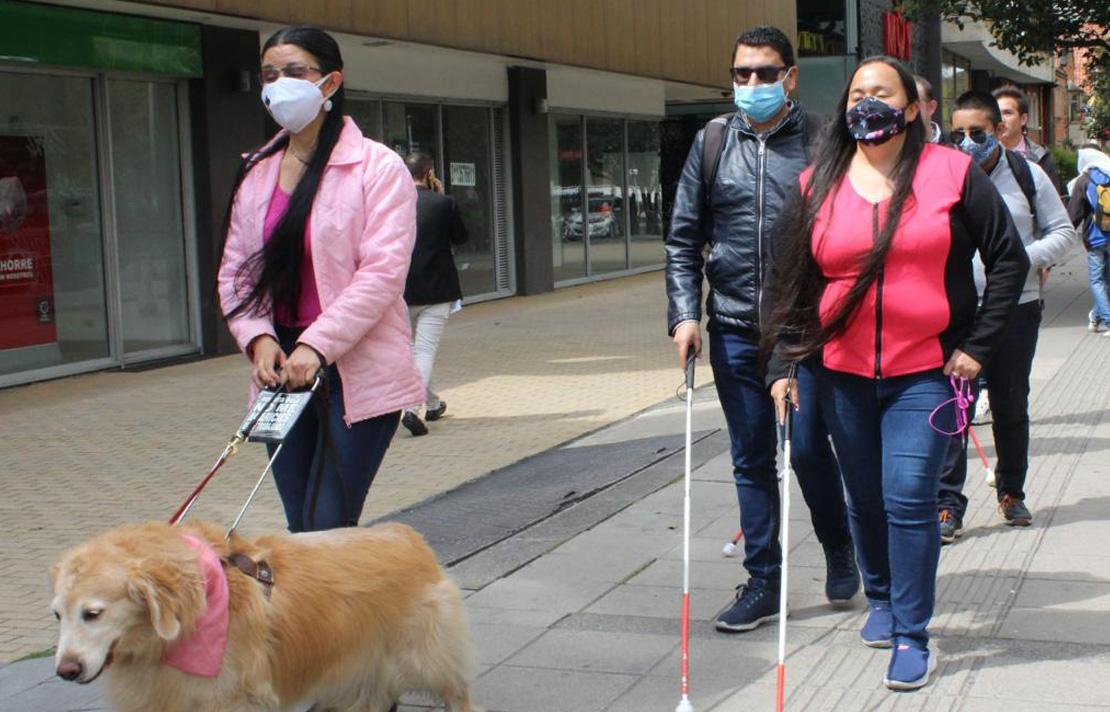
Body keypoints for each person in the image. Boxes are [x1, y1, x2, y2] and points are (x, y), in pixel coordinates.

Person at [764, 56, 1028, 690]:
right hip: (840, 372)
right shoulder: (816, 182)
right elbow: (792, 282)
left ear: (913, 107)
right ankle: (880, 596)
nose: (866, 104)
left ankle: (912, 633)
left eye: (881, 93)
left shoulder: (952, 173)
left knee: (909, 498)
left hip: (927, 372)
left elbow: (1008, 260)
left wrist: (978, 347)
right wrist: (782, 363)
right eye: (857, 93)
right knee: (865, 499)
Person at [666, 25, 860, 635]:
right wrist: (683, 313)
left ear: (790, 77)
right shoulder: (713, 141)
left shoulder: (826, 140)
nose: (752, 84)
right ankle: (764, 579)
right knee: (751, 457)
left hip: (804, 331)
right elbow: (682, 237)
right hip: (729, 327)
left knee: (804, 450)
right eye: (742, 74)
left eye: (766, 73)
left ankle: (838, 545)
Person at [217, 26, 424, 532]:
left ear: (330, 83)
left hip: (355, 367)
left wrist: (317, 346)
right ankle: (339, 612)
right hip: (280, 368)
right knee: (301, 528)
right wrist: (259, 340)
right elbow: (236, 272)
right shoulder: (257, 170)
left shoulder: (376, 167)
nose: (279, 85)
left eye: (295, 72)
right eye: (270, 75)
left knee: (326, 525)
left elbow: (382, 274)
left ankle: (364, 610)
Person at [936, 91, 1081, 543]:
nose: (965, 142)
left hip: (1015, 309)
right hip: (957, 309)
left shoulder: (1027, 174)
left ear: (1000, 130)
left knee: (1010, 405)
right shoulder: (942, 177)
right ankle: (946, 503)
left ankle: (1011, 490)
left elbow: (1063, 233)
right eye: (957, 133)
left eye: (976, 133)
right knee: (952, 407)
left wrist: (1016, 259)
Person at [400, 152, 469, 437]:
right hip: (438, 288)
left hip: (400, 290)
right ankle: (412, 408)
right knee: (424, 350)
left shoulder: (392, 203)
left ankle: (432, 402)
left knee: (410, 353)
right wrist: (441, 196)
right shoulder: (444, 203)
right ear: (430, 173)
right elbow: (461, 238)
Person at [1067, 144, 1110, 335]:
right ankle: (1095, 315)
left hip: (1095, 238)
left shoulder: (1084, 180)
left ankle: (1108, 320)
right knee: (1107, 280)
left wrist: (1064, 237)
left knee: (1097, 280)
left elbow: (1073, 214)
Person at [993, 86, 1063, 195]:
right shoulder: (983, 157)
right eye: (997, 113)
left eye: (1008, 113)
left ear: (1023, 119)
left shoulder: (1041, 158)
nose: (1001, 119)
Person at [913, 75, 948, 145]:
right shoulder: (890, 149)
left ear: (931, 107)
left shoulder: (954, 146)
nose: (907, 112)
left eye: (914, 105)